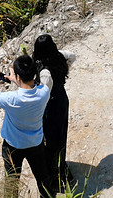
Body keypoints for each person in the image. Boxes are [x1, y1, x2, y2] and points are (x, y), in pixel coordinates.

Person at [0, 54, 56, 198]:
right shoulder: (44, 92)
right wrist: (16, 79)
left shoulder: (11, 99)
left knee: (12, 181)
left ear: (18, 77)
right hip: (35, 143)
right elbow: (30, 88)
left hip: (13, 146)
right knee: (43, 178)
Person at [33, 35, 76, 191]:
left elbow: (43, 95)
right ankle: (61, 166)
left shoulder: (45, 72)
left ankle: (56, 174)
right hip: (62, 100)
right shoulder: (60, 56)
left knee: (51, 139)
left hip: (51, 106)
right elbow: (72, 56)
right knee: (61, 134)